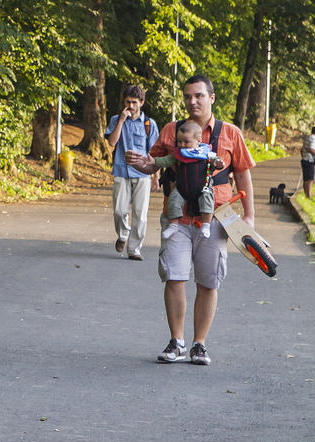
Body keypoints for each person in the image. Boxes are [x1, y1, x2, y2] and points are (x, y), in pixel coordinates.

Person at [126, 74, 255, 367]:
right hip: (178, 218)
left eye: (198, 95)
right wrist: (139, 162)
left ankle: (200, 344)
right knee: (174, 276)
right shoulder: (172, 130)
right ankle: (177, 342)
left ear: (211, 98)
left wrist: (249, 214)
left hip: (217, 217)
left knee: (208, 282)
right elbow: (152, 163)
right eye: (187, 96)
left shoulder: (230, 133)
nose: (192, 101)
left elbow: (243, 172)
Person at [105, 84, 159, 261]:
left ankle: (134, 249)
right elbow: (112, 143)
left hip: (143, 174)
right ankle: (123, 235)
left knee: (140, 215)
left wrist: (156, 177)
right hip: (121, 170)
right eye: (128, 102)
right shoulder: (116, 119)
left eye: (134, 102)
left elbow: (154, 153)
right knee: (120, 211)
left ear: (142, 102)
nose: (131, 106)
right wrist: (121, 120)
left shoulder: (149, 124)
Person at [152, 119, 226, 240]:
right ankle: (173, 224)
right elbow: (166, 160)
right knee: (173, 200)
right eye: (179, 141)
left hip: (203, 187)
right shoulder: (179, 154)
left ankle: (206, 225)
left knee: (207, 200)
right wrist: (154, 161)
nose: (182, 145)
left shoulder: (206, 153)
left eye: (186, 142)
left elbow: (217, 162)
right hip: (181, 187)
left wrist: (218, 163)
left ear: (199, 141)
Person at [301, 126, 315, 199]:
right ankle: (308, 196)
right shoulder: (313, 138)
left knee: (305, 179)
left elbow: (302, 149)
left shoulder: (307, 137)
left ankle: (306, 194)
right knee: (310, 179)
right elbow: (312, 149)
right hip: (309, 160)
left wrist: (303, 156)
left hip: (304, 159)